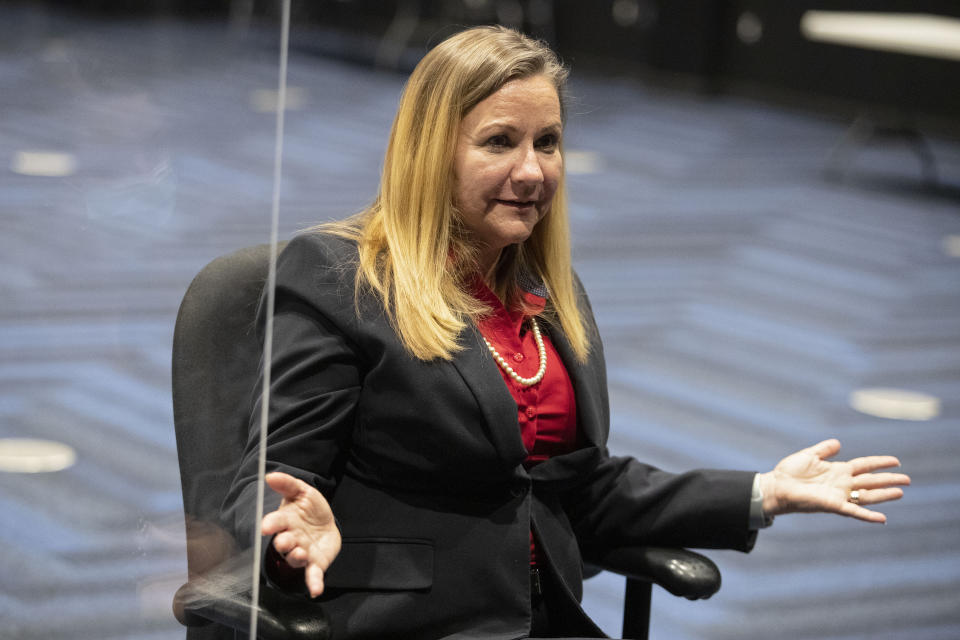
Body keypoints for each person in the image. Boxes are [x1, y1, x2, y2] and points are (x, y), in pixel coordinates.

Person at [220, 25, 910, 639]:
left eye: (547, 143)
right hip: (406, 619)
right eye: (499, 142)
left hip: (545, 617)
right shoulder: (343, 279)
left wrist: (763, 492)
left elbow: (582, 491)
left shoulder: (546, 297)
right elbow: (274, 482)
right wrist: (292, 539)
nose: (533, 171)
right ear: (432, 153)